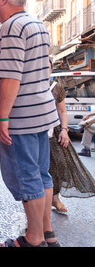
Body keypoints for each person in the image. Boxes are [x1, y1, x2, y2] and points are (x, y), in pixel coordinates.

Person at [0, 0, 60, 247]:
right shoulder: (37, 24)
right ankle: (47, 232)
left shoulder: (12, 27)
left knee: (26, 176)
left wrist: (3, 117)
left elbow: (11, 75)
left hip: (21, 117)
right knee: (41, 174)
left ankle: (34, 238)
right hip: (40, 113)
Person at [48, 68, 95, 216]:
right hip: (33, 131)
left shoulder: (54, 87)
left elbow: (62, 111)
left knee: (58, 164)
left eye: (48, 66)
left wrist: (64, 130)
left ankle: (55, 198)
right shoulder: (28, 84)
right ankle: (38, 201)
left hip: (54, 131)